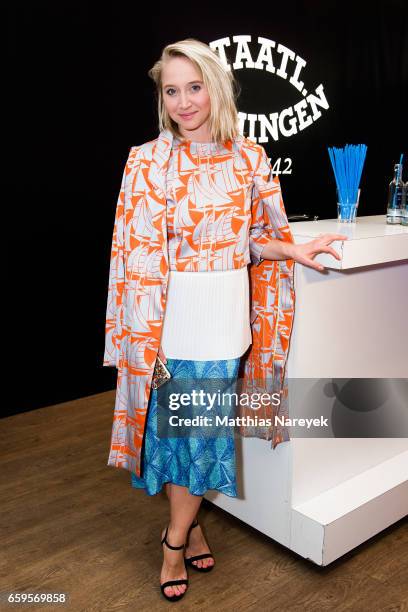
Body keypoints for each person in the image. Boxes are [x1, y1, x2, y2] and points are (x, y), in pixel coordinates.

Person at [104, 38, 348, 602]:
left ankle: (175, 536)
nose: (184, 102)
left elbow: (255, 241)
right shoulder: (145, 161)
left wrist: (294, 251)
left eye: (195, 87)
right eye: (172, 91)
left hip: (225, 322)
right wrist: (138, 332)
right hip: (164, 322)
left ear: (216, 88)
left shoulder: (250, 158)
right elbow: (129, 252)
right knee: (177, 435)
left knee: (202, 433)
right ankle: (185, 532)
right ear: (161, 97)